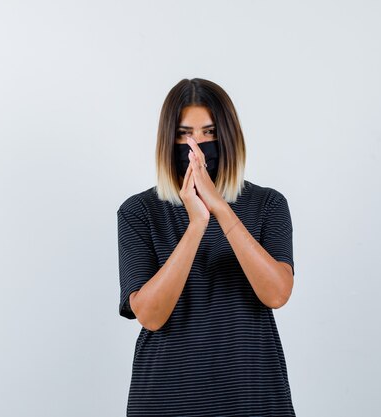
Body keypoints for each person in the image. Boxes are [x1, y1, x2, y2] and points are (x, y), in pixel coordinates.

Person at [117, 78, 296, 416]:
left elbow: (276, 294)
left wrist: (221, 209)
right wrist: (197, 223)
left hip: (253, 394)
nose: (197, 145)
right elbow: (151, 316)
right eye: (185, 133)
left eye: (209, 132)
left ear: (228, 136)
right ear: (168, 139)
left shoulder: (267, 204)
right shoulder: (139, 212)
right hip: (167, 396)